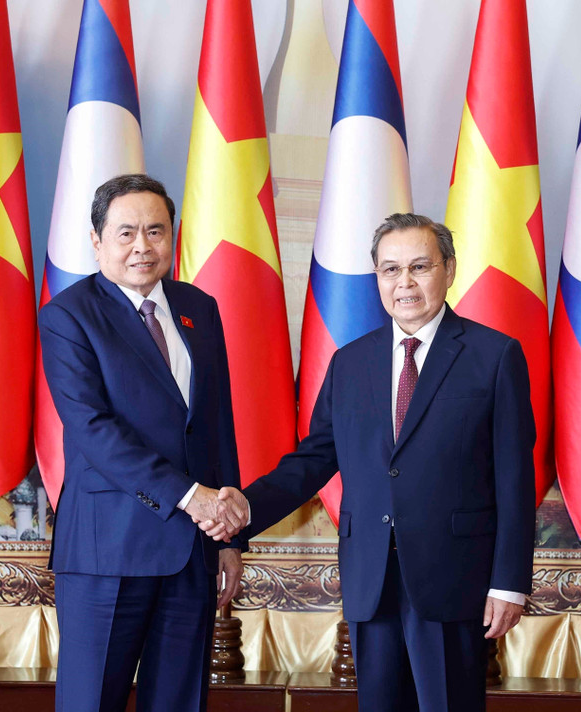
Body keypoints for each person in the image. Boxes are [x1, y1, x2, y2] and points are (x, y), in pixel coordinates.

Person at [205, 213, 535, 711]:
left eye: (420, 267)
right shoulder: (350, 362)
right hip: (370, 580)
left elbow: (515, 480)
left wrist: (508, 582)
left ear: (448, 269)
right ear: (377, 277)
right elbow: (314, 459)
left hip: (453, 581)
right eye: (390, 269)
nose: (405, 283)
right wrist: (245, 509)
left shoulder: (494, 356)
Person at [39, 173, 248, 712]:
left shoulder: (197, 308)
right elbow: (94, 431)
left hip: (192, 550)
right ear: (97, 240)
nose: (142, 246)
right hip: (108, 549)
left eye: (155, 231)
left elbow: (216, 426)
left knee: (180, 701)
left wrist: (227, 538)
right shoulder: (68, 316)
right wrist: (190, 496)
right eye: (126, 232)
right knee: (92, 702)